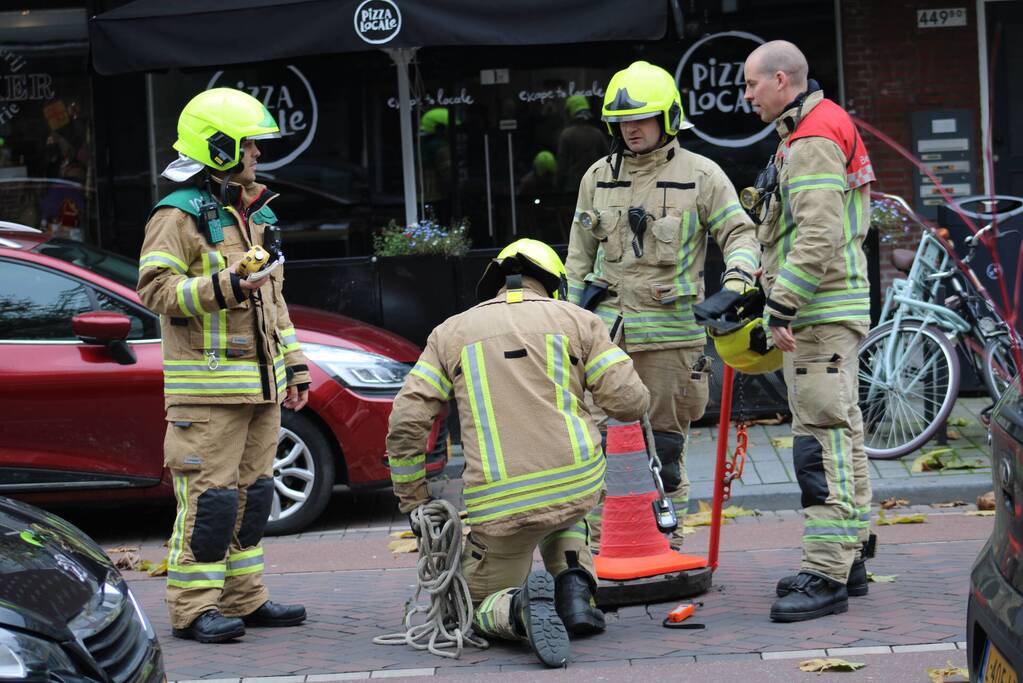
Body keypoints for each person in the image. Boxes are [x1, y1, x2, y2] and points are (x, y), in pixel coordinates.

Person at [385, 238, 650, 667]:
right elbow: (630, 403)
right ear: (553, 283)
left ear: (492, 284)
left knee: (473, 608)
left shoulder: (449, 334)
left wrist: (414, 499)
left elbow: (406, 422)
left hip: (500, 504)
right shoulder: (579, 321)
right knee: (567, 510)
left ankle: (517, 608)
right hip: (575, 485)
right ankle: (575, 591)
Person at [137, 88, 310, 643]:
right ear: (218, 148)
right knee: (209, 504)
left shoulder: (254, 213)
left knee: (254, 497)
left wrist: (296, 367)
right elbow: (156, 290)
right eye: (249, 145)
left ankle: (244, 599)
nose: (257, 153)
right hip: (206, 395)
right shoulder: (176, 215)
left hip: (260, 388)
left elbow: (273, 301)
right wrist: (227, 285)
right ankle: (192, 610)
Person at [565, 61, 759, 549]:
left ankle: (664, 546)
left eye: (643, 119)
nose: (631, 129)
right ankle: (595, 552)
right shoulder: (597, 177)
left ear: (669, 118)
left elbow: (740, 233)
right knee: (596, 444)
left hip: (672, 340)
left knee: (665, 448)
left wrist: (734, 284)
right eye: (623, 121)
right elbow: (576, 260)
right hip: (605, 336)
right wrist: (566, 329)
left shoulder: (702, 175)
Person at [742, 40, 875, 622]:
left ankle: (827, 576)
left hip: (818, 314)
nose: (747, 97)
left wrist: (782, 307)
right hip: (827, 310)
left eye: (751, 86)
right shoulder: (813, 128)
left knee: (820, 442)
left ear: (780, 79)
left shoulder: (813, 136)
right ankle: (848, 556)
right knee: (840, 435)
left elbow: (816, 236)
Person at [556, 95, 609, 194]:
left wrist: (557, 188)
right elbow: (608, 161)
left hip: (573, 189)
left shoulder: (566, 135)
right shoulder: (597, 134)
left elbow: (562, 167)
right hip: (596, 187)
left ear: (569, 112)